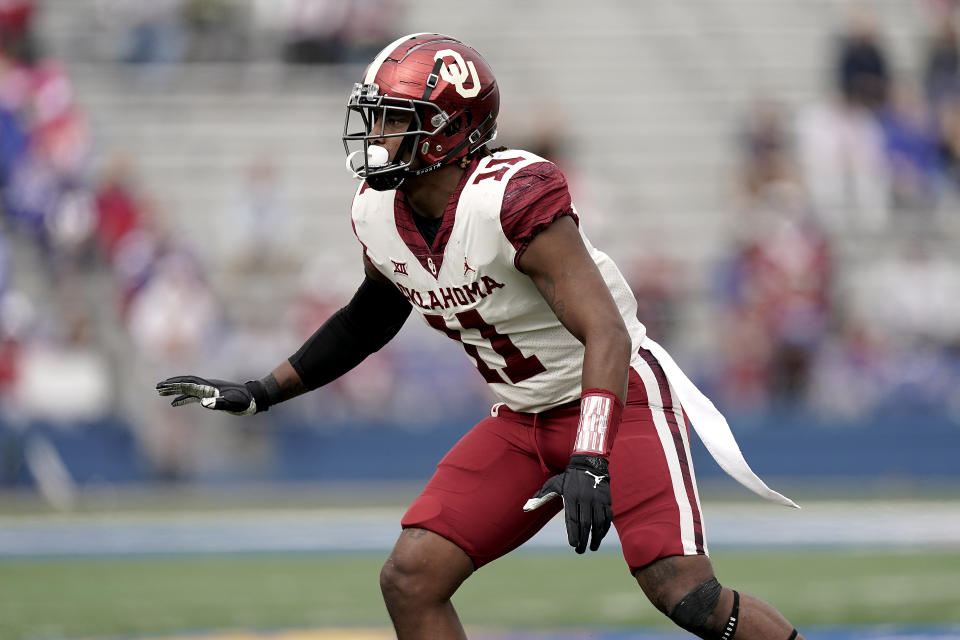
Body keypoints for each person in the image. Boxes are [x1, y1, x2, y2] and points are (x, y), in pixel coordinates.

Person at [157, 33, 804, 640]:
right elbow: (371, 317)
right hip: (522, 417)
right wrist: (260, 392)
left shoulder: (513, 195)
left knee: (683, 593)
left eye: (393, 118)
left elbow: (605, 330)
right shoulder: (378, 209)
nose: (375, 134)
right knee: (411, 578)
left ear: (445, 131)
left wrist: (589, 456)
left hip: (617, 396)